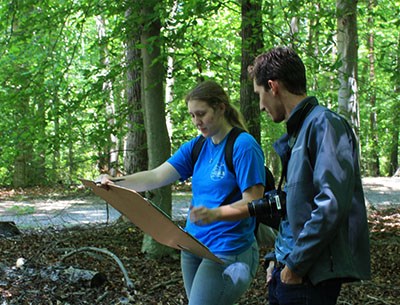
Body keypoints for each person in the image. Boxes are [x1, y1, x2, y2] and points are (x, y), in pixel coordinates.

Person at [99, 80, 266, 305]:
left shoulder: (243, 145)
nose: (197, 122)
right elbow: (156, 176)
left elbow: (254, 202)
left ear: (221, 108)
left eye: (201, 114)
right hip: (192, 246)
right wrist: (115, 182)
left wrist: (216, 214)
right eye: (192, 116)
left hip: (228, 250)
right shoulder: (197, 147)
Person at [247, 47, 371, 305]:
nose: (260, 106)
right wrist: (277, 260)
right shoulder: (298, 132)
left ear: (273, 86)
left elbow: (331, 204)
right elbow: (295, 211)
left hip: (307, 279)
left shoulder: (324, 124)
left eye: (260, 95)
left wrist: (294, 266)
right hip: (290, 272)